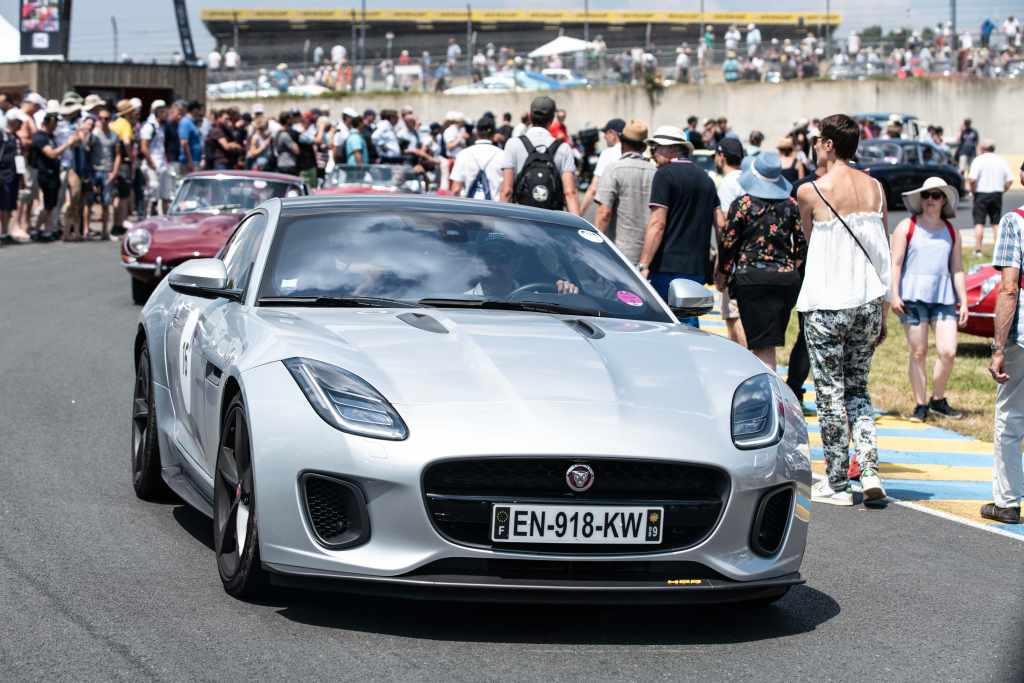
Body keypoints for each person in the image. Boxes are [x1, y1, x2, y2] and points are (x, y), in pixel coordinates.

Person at [796, 113, 891, 506]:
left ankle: (837, 480)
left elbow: (809, 239)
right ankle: (868, 470)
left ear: (829, 144)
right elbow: (882, 249)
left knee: (829, 391)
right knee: (859, 388)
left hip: (827, 301)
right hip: (869, 299)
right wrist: (884, 306)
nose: (816, 146)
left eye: (818, 140)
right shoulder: (876, 189)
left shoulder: (811, 191)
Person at [890, 177, 968, 422]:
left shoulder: (951, 231)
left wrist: (964, 301)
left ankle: (938, 399)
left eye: (936, 195)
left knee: (948, 351)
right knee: (918, 352)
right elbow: (895, 264)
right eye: (926, 195)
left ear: (944, 200)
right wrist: (894, 294)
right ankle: (920, 404)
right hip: (912, 297)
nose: (930, 200)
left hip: (943, 298)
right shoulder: (907, 226)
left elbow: (957, 268)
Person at [718, 152, 805, 369]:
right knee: (766, 343)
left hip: (751, 278)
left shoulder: (742, 205)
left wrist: (722, 275)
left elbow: (728, 243)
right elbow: (802, 244)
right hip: (785, 280)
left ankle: (765, 387)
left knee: (760, 346)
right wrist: (790, 266)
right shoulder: (791, 205)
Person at [636, 125, 718, 327]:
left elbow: (657, 223)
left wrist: (644, 264)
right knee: (689, 324)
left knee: (663, 324)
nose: (653, 152)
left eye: (656, 147)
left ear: (672, 149)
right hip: (696, 267)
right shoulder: (706, 179)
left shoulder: (664, 175)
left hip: (667, 267)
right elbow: (721, 224)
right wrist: (720, 264)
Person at [985, 162, 1024, 524]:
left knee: (1010, 419)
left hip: (1022, 338)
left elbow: (1009, 288)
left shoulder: (1015, 221)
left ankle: (1007, 502)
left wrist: (998, 347)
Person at [499, 96, 579, 215]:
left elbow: (507, 191)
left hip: (522, 217)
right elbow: (570, 192)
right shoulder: (563, 148)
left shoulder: (513, 144)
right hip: (552, 218)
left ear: (530, 116)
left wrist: (501, 222)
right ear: (552, 119)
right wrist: (576, 223)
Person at [593, 119, 654, 264]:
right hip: (648, 255)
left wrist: (594, 248)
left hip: (619, 253)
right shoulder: (655, 172)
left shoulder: (614, 169)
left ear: (622, 143)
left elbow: (604, 214)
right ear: (644, 147)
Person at [713, 137, 748, 346]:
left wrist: (721, 265)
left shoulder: (727, 184)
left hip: (733, 259)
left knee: (733, 315)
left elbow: (724, 226)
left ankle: (748, 358)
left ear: (721, 157)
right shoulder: (747, 179)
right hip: (750, 256)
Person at [32, 108, 80, 238]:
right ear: (46, 123)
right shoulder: (40, 137)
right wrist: (68, 144)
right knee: (47, 205)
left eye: (56, 123)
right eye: (53, 123)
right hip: (44, 174)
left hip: (53, 173)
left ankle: (47, 230)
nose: (55, 126)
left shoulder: (51, 137)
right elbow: (52, 154)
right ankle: (36, 229)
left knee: (51, 204)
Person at [969, 140, 1013, 257]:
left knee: (979, 223)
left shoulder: (978, 160)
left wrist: (973, 191)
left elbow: (972, 179)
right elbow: (1010, 179)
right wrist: (1003, 190)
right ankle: (999, 251)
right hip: (996, 194)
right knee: (996, 223)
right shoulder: (1001, 160)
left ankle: (978, 250)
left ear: (983, 148)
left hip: (981, 194)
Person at [449, 116, 503, 200]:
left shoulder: (463, 154)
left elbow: (456, 189)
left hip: (470, 205)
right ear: (494, 133)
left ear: (476, 132)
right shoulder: (502, 155)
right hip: (494, 206)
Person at [89, 106, 121, 240]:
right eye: (100, 118)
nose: (103, 121)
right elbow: (87, 150)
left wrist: (114, 171)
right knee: (89, 201)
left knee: (106, 202)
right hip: (94, 170)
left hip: (107, 171)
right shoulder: (94, 134)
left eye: (106, 118)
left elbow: (118, 154)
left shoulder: (114, 135)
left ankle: (105, 231)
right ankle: (86, 230)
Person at [580, 118, 623, 215]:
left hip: (612, 213)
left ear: (613, 134)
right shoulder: (637, 155)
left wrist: (579, 214)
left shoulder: (608, 153)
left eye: (606, 133)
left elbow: (593, 188)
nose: (604, 137)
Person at [139, 100, 170, 215]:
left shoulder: (161, 126)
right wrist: (151, 162)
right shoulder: (149, 126)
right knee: (153, 188)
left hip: (161, 163)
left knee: (163, 191)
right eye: (163, 111)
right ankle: (148, 214)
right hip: (152, 163)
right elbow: (144, 147)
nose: (166, 114)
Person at [0, 112, 23, 243]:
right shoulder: (2, 136)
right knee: (3, 204)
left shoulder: (16, 138)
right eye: (19, 122)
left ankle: (7, 232)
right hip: (3, 175)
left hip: (14, 175)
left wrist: (21, 176)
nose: (20, 125)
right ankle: (3, 232)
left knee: (10, 205)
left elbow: (19, 157)